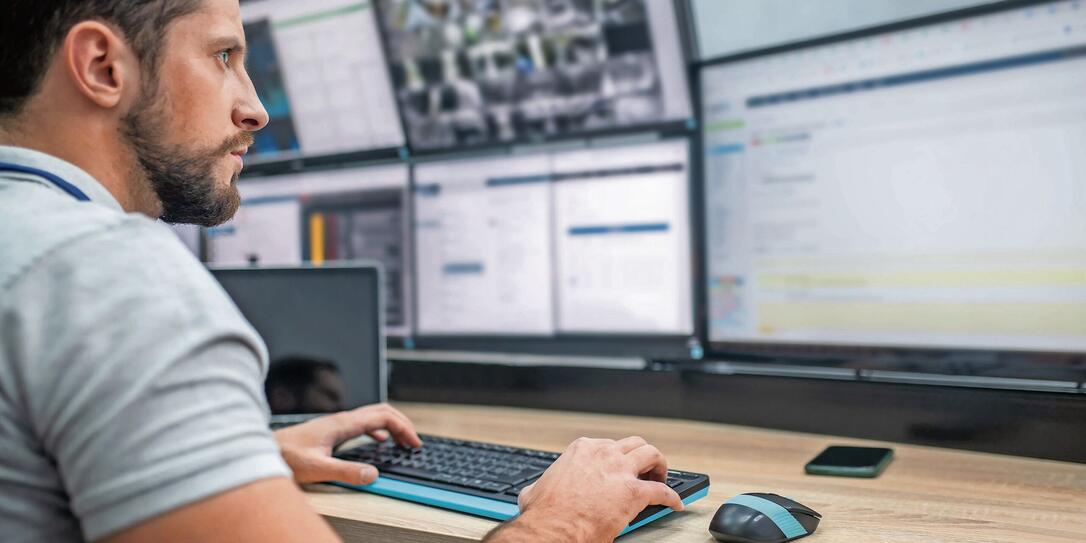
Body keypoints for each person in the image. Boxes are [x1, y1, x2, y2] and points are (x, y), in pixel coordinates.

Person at [0, 1, 684, 542]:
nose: (254, 107)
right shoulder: (110, 276)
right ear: (101, 65)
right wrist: (563, 521)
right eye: (224, 56)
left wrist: (225, 455)